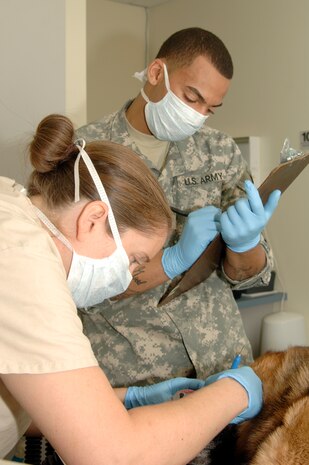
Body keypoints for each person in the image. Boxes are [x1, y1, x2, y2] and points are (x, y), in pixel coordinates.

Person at [0, 113, 263, 465]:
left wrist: (129, 398)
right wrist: (236, 392)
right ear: (93, 219)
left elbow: (30, 399)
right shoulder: (22, 259)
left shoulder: (15, 213)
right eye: (136, 260)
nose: (129, 278)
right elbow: (113, 458)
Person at [76, 27, 281, 388]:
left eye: (210, 108)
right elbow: (74, 280)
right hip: (136, 380)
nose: (198, 115)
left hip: (224, 366)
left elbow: (252, 274)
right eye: (191, 97)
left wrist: (244, 243)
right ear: (157, 73)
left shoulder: (218, 150)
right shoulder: (85, 155)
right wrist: (170, 262)